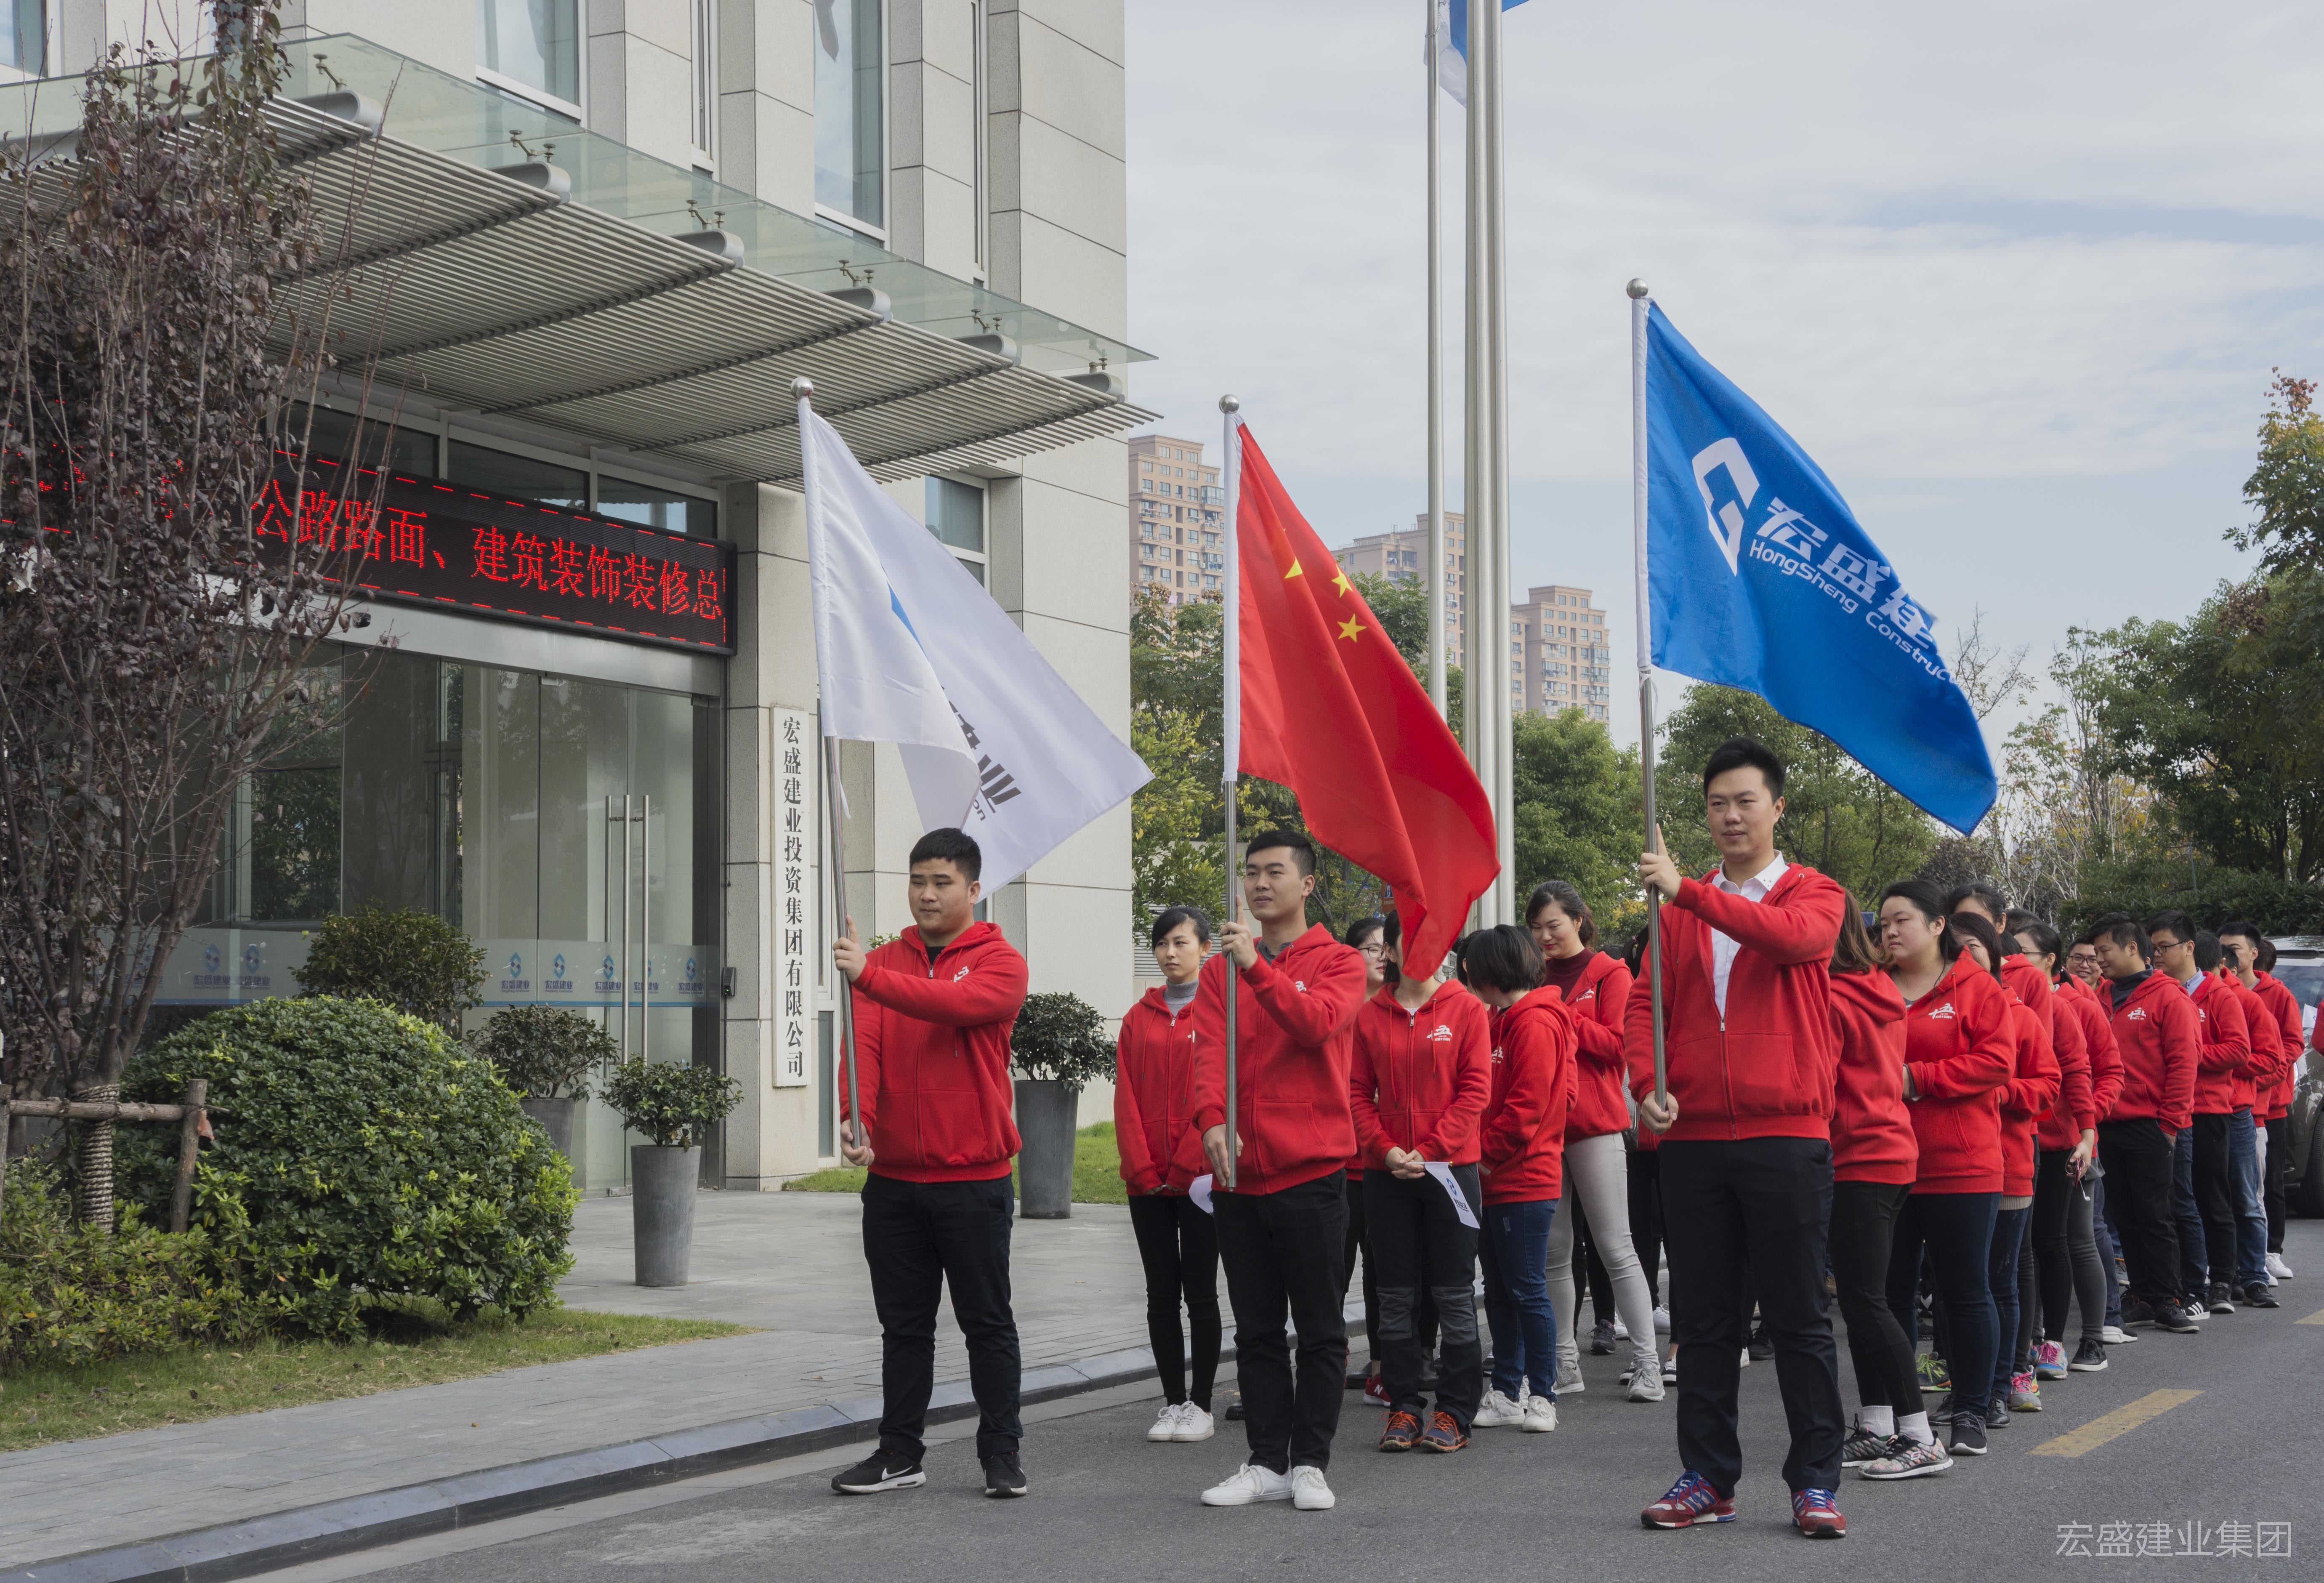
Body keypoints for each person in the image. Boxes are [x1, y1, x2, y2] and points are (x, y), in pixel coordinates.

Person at [1627, 737, 1851, 1541]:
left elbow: (1790, 940)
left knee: (1797, 1319)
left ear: (1776, 807)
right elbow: (1644, 1005)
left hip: (1784, 1133)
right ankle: (1708, 1478)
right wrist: (1647, 1083)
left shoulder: (1813, 893)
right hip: (1691, 1141)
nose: (1730, 815)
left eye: (1745, 800)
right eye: (1717, 803)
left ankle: (1815, 1481)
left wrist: (1687, 891)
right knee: (1705, 1322)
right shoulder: (1674, 913)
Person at [830, 828, 1033, 1499]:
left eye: (941, 882)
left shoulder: (1000, 961)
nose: (926, 894)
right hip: (893, 1183)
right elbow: (862, 1045)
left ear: (973, 889)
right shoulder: (883, 961)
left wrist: (868, 976)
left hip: (974, 1181)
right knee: (904, 1330)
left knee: (987, 1325)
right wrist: (856, 1116)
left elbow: (957, 1005)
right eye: (917, 881)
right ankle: (899, 1453)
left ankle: (1001, 1453)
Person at [1191, 830, 1367, 1512]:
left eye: (1274, 872)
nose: (1260, 884)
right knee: (1257, 1328)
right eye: (1251, 872)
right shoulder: (1217, 972)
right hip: (1239, 1176)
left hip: (1311, 1170)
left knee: (1319, 1327)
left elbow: (1314, 1024)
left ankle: (1310, 1462)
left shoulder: (1339, 962)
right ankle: (1265, 1460)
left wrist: (1257, 970)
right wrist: (1211, 1118)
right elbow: (1208, 1053)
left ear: (1306, 884)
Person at [1877, 881, 2012, 1461]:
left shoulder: (1975, 986)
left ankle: (1972, 1407)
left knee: (1964, 1290)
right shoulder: (1871, 985)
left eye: (1901, 920)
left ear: (1937, 926)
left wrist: (1917, 1078)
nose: (1889, 931)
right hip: (1883, 1160)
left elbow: (1997, 1062)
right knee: (1889, 1294)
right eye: (1883, 923)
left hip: (1961, 1162)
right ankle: (1901, 1415)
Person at [1350, 909, 1492, 1452]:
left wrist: (1429, 1149)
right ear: (1388, 950)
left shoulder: (1465, 1008)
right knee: (1394, 1296)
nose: (1425, 948)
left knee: (1454, 1293)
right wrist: (1385, 1149)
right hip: (1386, 1173)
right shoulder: (1369, 1015)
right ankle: (1403, 1406)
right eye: (1411, 940)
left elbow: (1474, 1090)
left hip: (1451, 1171)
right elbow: (1355, 1093)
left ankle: (1455, 1411)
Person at [1824, 902, 1947, 1482]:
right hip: (1888, 1151)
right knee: (1862, 1300)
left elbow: (1818, 1082)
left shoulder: (1831, 997)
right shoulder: (1875, 987)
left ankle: (1921, 1436)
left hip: (1859, 1156)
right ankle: (1876, 1425)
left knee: (1866, 1303)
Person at [1526, 880, 1660, 1402]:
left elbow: (1619, 1046)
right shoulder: (1532, 973)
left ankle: (1647, 1363)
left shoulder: (1610, 972)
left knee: (1615, 1246)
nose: (1545, 936)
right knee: (1554, 1251)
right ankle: (1564, 1363)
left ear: (1579, 920)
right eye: (1536, 928)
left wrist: (1563, 1017)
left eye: (1553, 925)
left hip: (1595, 1125)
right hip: (1542, 1127)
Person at [1116, 906, 1222, 1444]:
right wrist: (1140, 1164)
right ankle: (1172, 1401)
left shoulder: (1221, 1013)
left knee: (1200, 1292)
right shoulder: (1138, 1017)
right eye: (1161, 943)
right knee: (1160, 1292)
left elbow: (1215, 1094)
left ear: (1205, 948)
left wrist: (1185, 1160)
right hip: (1147, 1180)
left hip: (1200, 1179)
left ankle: (1201, 1403)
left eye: (1180, 942)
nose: (1169, 952)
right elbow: (1125, 1098)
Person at [1950, 911, 2058, 1429]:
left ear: (1995, 954)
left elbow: (2047, 1085)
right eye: (1952, 946)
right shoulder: (1929, 1010)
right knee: (1956, 1284)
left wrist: (1997, 1090)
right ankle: (1963, 1389)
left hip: (2007, 1163)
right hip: (1944, 1168)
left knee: (1997, 1281)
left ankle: (1996, 1387)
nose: (1961, 955)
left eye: (1971, 945)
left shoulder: (2019, 1014)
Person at [1467, 923, 1576, 1435]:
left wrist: (1481, 1154)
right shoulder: (1503, 1019)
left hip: (1522, 1178)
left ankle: (1542, 1394)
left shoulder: (1532, 1022)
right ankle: (1507, 1389)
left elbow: (1526, 1106)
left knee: (1527, 1289)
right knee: (1499, 1290)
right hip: (1495, 1176)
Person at [2088, 912, 2204, 1333]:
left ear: (2132, 948)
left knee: (2156, 1214)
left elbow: (2184, 1063)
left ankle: (2169, 1297)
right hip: (2107, 1122)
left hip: (2151, 1124)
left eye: (2105, 950)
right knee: (2123, 1214)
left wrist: (2169, 1124)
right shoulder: (2099, 996)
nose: (2099, 959)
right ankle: (2139, 1294)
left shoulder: (2168, 996)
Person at [2018, 921, 2116, 1375]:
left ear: (2048, 960)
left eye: (2022, 953)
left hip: (2067, 1143)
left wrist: (2086, 1129)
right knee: (2027, 1248)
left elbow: (2099, 1071)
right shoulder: (2000, 1002)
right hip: (2021, 1142)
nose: (2011, 962)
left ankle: (2093, 1334)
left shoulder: (2073, 1006)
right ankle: (2031, 1338)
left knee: (2073, 1239)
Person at [2151, 918, 2248, 1315]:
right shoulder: (2158, 991)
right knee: (2175, 1200)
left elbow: (2240, 1050)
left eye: (2164, 947)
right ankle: (2183, 1281)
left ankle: (2223, 1278)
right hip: (2170, 1109)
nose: (2158, 955)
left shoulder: (2220, 994)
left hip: (2208, 1109)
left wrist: (2189, 1053)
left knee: (2212, 1196)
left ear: (2189, 948)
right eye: (2154, 948)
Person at [2221, 924, 2303, 1281]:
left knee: (2270, 1183)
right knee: (2235, 1184)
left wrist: (2261, 1078)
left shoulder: (2276, 993)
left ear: (2254, 953)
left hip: (2270, 1103)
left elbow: (2292, 1044)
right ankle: (2237, 1259)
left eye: (2235, 948)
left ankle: (2271, 1251)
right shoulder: (2217, 992)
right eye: (2223, 947)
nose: (2228, 954)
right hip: (2230, 1104)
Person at [2216, 927, 2285, 1306]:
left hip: (2243, 1112)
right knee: (2209, 1199)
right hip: (2199, 1114)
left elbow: (2274, 1058)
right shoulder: (2184, 997)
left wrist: (2224, 1064)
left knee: (2247, 1196)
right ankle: (2223, 1276)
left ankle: (2255, 1274)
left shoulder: (2249, 1001)